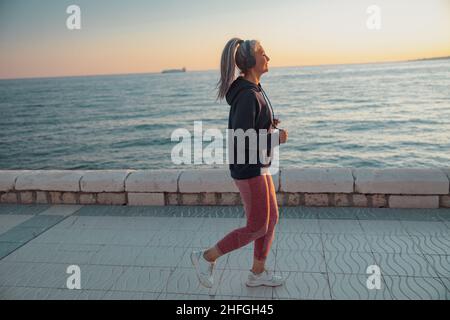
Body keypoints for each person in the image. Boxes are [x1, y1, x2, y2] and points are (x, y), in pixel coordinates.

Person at [191, 38, 289, 288]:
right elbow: (243, 139)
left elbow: (250, 129)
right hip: (249, 168)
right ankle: (206, 257)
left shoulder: (253, 90)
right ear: (251, 62)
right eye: (264, 54)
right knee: (257, 226)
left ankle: (257, 273)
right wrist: (275, 138)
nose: (268, 58)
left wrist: (268, 125)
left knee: (271, 219)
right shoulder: (247, 95)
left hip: (258, 165)